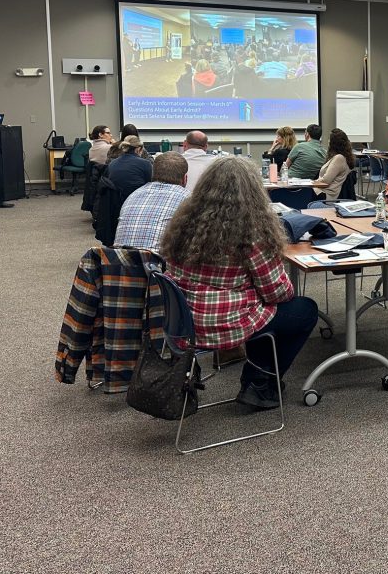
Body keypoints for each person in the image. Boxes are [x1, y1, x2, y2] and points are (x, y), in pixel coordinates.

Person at [161, 157, 319, 409]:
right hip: (223, 323)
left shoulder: (185, 222)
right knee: (304, 310)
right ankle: (260, 382)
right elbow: (277, 291)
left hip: (183, 322)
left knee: (261, 310)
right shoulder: (251, 231)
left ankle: (257, 379)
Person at [114, 152, 189, 252]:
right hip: (157, 264)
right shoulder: (188, 198)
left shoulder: (133, 195)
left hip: (119, 262)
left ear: (152, 174)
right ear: (185, 179)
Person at [316, 128, 355, 200]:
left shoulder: (339, 158)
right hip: (322, 191)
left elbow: (326, 181)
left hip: (326, 194)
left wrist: (312, 183)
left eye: (329, 139)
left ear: (333, 143)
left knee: (301, 193)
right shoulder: (341, 157)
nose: (328, 141)